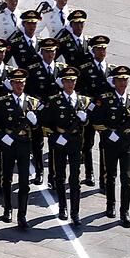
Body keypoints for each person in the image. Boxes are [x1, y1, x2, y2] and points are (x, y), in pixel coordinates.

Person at [0, 68, 39, 229]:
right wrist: (2, 136)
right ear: (11, 84)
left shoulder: (32, 102)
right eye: (16, 82)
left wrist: (35, 122)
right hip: (8, 145)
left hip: (24, 144)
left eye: (22, 82)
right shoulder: (3, 101)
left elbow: (40, 127)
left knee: (24, 182)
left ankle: (22, 214)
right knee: (7, 179)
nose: (19, 85)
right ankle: (7, 208)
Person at [91, 65, 130, 227]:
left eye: (125, 80)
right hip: (111, 142)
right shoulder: (105, 99)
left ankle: (124, 211)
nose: (122, 83)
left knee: (126, 177)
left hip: (127, 142)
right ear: (113, 81)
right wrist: (107, 133)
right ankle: (110, 204)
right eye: (119, 80)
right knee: (110, 174)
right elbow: (96, 121)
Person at [43, 66, 91, 225]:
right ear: (62, 82)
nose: (70, 84)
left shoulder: (83, 101)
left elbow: (88, 122)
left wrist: (84, 119)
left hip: (76, 143)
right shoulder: (55, 101)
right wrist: (56, 135)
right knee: (60, 176)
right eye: (67, 81)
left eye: (73, 81)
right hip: (60, 142)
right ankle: (62, 206)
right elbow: (46, 122)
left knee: (75, 179)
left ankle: (75, 212)